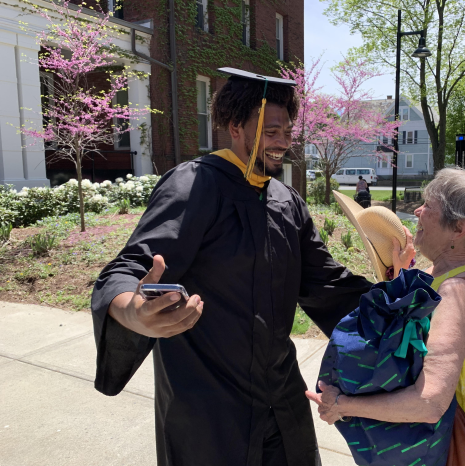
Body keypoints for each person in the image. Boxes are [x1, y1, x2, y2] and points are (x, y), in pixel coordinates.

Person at [90, 68, 372, 466]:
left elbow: (327, 282)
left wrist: (395, 296)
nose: (282, 143)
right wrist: (131, 311)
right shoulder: (194, 185)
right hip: (209, 403)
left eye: (287, 133)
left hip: (281, 395)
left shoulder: (285, 200)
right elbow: (132, 266)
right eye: (271, 132)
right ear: (236, 126)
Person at [307, 169, 465, 446]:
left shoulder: (457, 292)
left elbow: (428, 402)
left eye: (429, 206)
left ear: (459, 228)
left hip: (446, 451)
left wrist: (342, 406)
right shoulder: (459, 273)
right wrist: (398, 271)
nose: (417, 211)